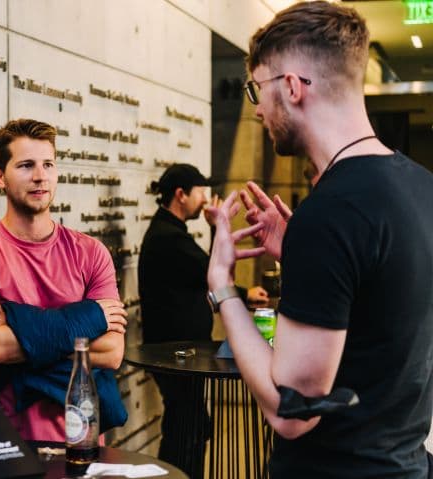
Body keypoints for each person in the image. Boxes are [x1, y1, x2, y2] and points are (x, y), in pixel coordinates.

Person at [206, 2, 433, 477]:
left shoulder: (331, 212)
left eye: (258, 88)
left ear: (291, 86)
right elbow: (383, 310)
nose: (258, 110)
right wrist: (302, 255)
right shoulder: (420, 186)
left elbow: (293, 412)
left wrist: (223, 284)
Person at [0, 118, 127, 441]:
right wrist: (85, 320)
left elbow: (113, 352)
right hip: (2, 439)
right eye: (26, 165)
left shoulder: (91, 253)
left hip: (78, 435)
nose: (40, 176)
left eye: (48, 164)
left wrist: (17, 324)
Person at [137, 163, 267, 475]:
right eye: (201, 191)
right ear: (181, 195)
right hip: (174, 354)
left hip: (182, 353)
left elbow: (205, 273)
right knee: (187, 427)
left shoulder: (170, 232)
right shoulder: (168, 237)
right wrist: (246, 293)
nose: (207, 198)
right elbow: (210, 273)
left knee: (191, 424)